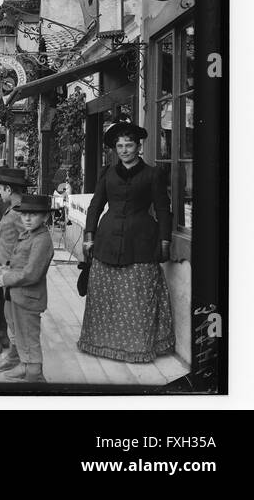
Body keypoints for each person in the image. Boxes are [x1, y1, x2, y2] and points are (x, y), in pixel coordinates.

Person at [78, 122, 175, 363]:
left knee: (138, 298)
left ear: (138, 146)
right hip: (107, 240)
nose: (123, 150)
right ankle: (101, 343)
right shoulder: (107, 173)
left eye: (128, 145)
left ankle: (137, 347)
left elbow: (164, 210)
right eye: (119, 146)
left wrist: (164, 241)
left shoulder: (153, 174)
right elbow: (95, 206)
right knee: (106, 297)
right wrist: (89, 237)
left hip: (141, 241)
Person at [0, 193, 55, 383]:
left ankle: (34, 376)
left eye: (34, 214)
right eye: (24, 214)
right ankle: (24, 365)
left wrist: (7, 278)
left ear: (45, 217)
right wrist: (8, 267)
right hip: (18, 294)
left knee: (29, 337)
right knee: (19, 333)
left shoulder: (42, 240)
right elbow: (21, 260)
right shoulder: (29, 233)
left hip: (29, 297)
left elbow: (32, 273)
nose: (27, 218)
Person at [0, 167, 30, 370]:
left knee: (16, 316)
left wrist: (13, 267)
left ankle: (19, 359)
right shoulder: (12, 208)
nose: (0, 194)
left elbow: (28, 241)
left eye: (1, 189)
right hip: (3, 270)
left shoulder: (20, 212)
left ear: (9, 189)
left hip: (10, 271)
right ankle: (15, 356)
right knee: (10, 315)